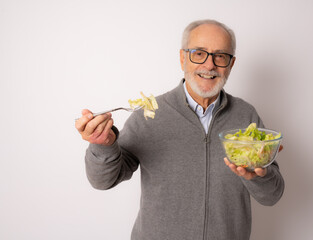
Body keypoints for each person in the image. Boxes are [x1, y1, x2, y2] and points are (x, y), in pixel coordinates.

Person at [75, 19, 284, 240]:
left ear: (231, 64)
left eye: (220, 56)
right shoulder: (149, 115)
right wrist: (103, 145)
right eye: (199, 53)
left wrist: (259, 175)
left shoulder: (246, 116)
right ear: (183, 57)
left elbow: (272, 195)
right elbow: (103, 180)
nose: (209, 65)